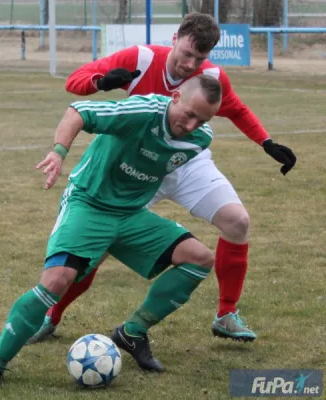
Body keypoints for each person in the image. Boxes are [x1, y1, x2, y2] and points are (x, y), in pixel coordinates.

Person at [30, 12, 297, 344]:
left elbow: (236, 109)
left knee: (237, 221)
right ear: (175, 38)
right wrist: (101, 82)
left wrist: (266, 142)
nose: (190, 64)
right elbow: (75, 81)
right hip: (135, 165)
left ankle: (226, 314)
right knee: (95, 248)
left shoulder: (210, 76)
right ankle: (50, 317)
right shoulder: (141, 58)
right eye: (186, 53)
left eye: (198, 58)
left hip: (185, 162)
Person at [0, 75, 222, 389]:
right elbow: (77, 111)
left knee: (199, 259)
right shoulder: (141, 112)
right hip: (88, 203)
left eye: (201, 120)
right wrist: (58, 153)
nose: (191, 125)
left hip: (131, 215)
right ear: (174, 97)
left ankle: (132, 331)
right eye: (189, 114)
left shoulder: (200, 138)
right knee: (55, 281)